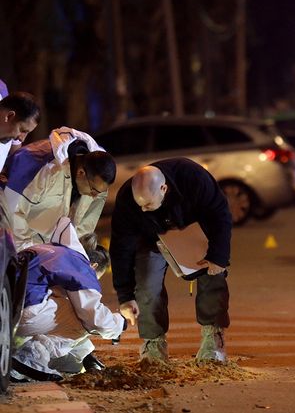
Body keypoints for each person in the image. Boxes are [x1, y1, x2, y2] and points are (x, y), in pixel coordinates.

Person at [110, 158, 232, 363]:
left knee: (213, 273)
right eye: (140, 205)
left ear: (164, 188)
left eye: (148, 204)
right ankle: (153, 343)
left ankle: (213, 337)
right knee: (147, 283)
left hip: (194, 230)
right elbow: (121, 247)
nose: (143, 210)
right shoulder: (127, 199)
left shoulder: (194, 178)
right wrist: (125, 296)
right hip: (151, 238)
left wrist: (218, 256)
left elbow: (220, 215)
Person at [11, 218, 126, 382]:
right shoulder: (81, 267)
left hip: (9, 305)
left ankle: (28, 360)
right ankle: (30, 358)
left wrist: (84, 353)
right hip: (22, 310)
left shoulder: (52, 250)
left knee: (67, 307)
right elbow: (94, 318)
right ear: (93, 266)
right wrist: (119, 324)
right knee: (83, 321)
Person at [4, 127, 115, 251]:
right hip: (17, 245)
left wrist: (75, 255)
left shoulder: (97, 180)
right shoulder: (42, 167)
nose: (94, 196)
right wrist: (30, 252)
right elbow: (12, 211)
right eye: (93, 191)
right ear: (81, 172)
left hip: (48, 253)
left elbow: (83, 230)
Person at [0, 92, 41, 172]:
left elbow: (16, 164)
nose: (22, 139)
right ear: (9, 116)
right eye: (22, 130)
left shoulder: (9, 133)